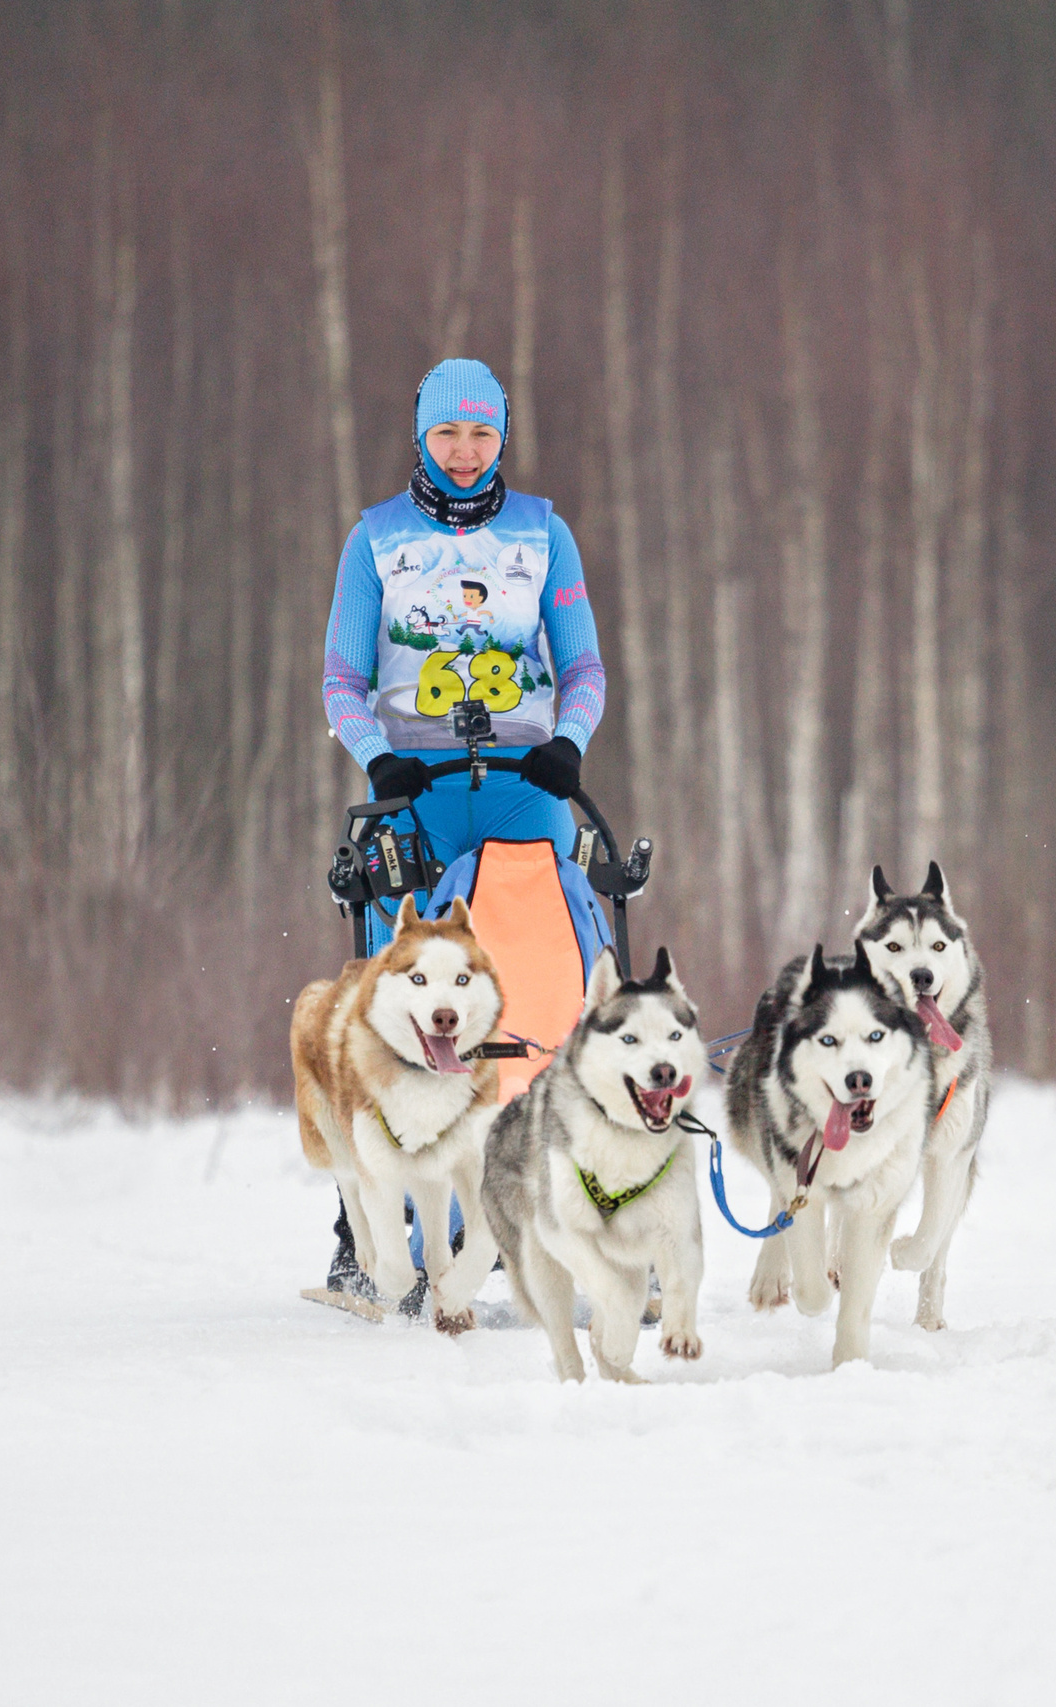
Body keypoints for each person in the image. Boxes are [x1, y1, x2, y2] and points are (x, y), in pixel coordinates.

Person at [316, 358, 608, 1306]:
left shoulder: (544, 532)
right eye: (449, 433)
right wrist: (376, 756)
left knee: (557, 982)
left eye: (482, 433)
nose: (466, 451)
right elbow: (341, 682)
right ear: (421, 436)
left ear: (503, 437)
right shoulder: (376, 541)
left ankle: (580, 1217)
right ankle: (384, 1233)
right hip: (417, 787)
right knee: (402, 1002)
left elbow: (586, 669)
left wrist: (569, 743)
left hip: (528, 785)